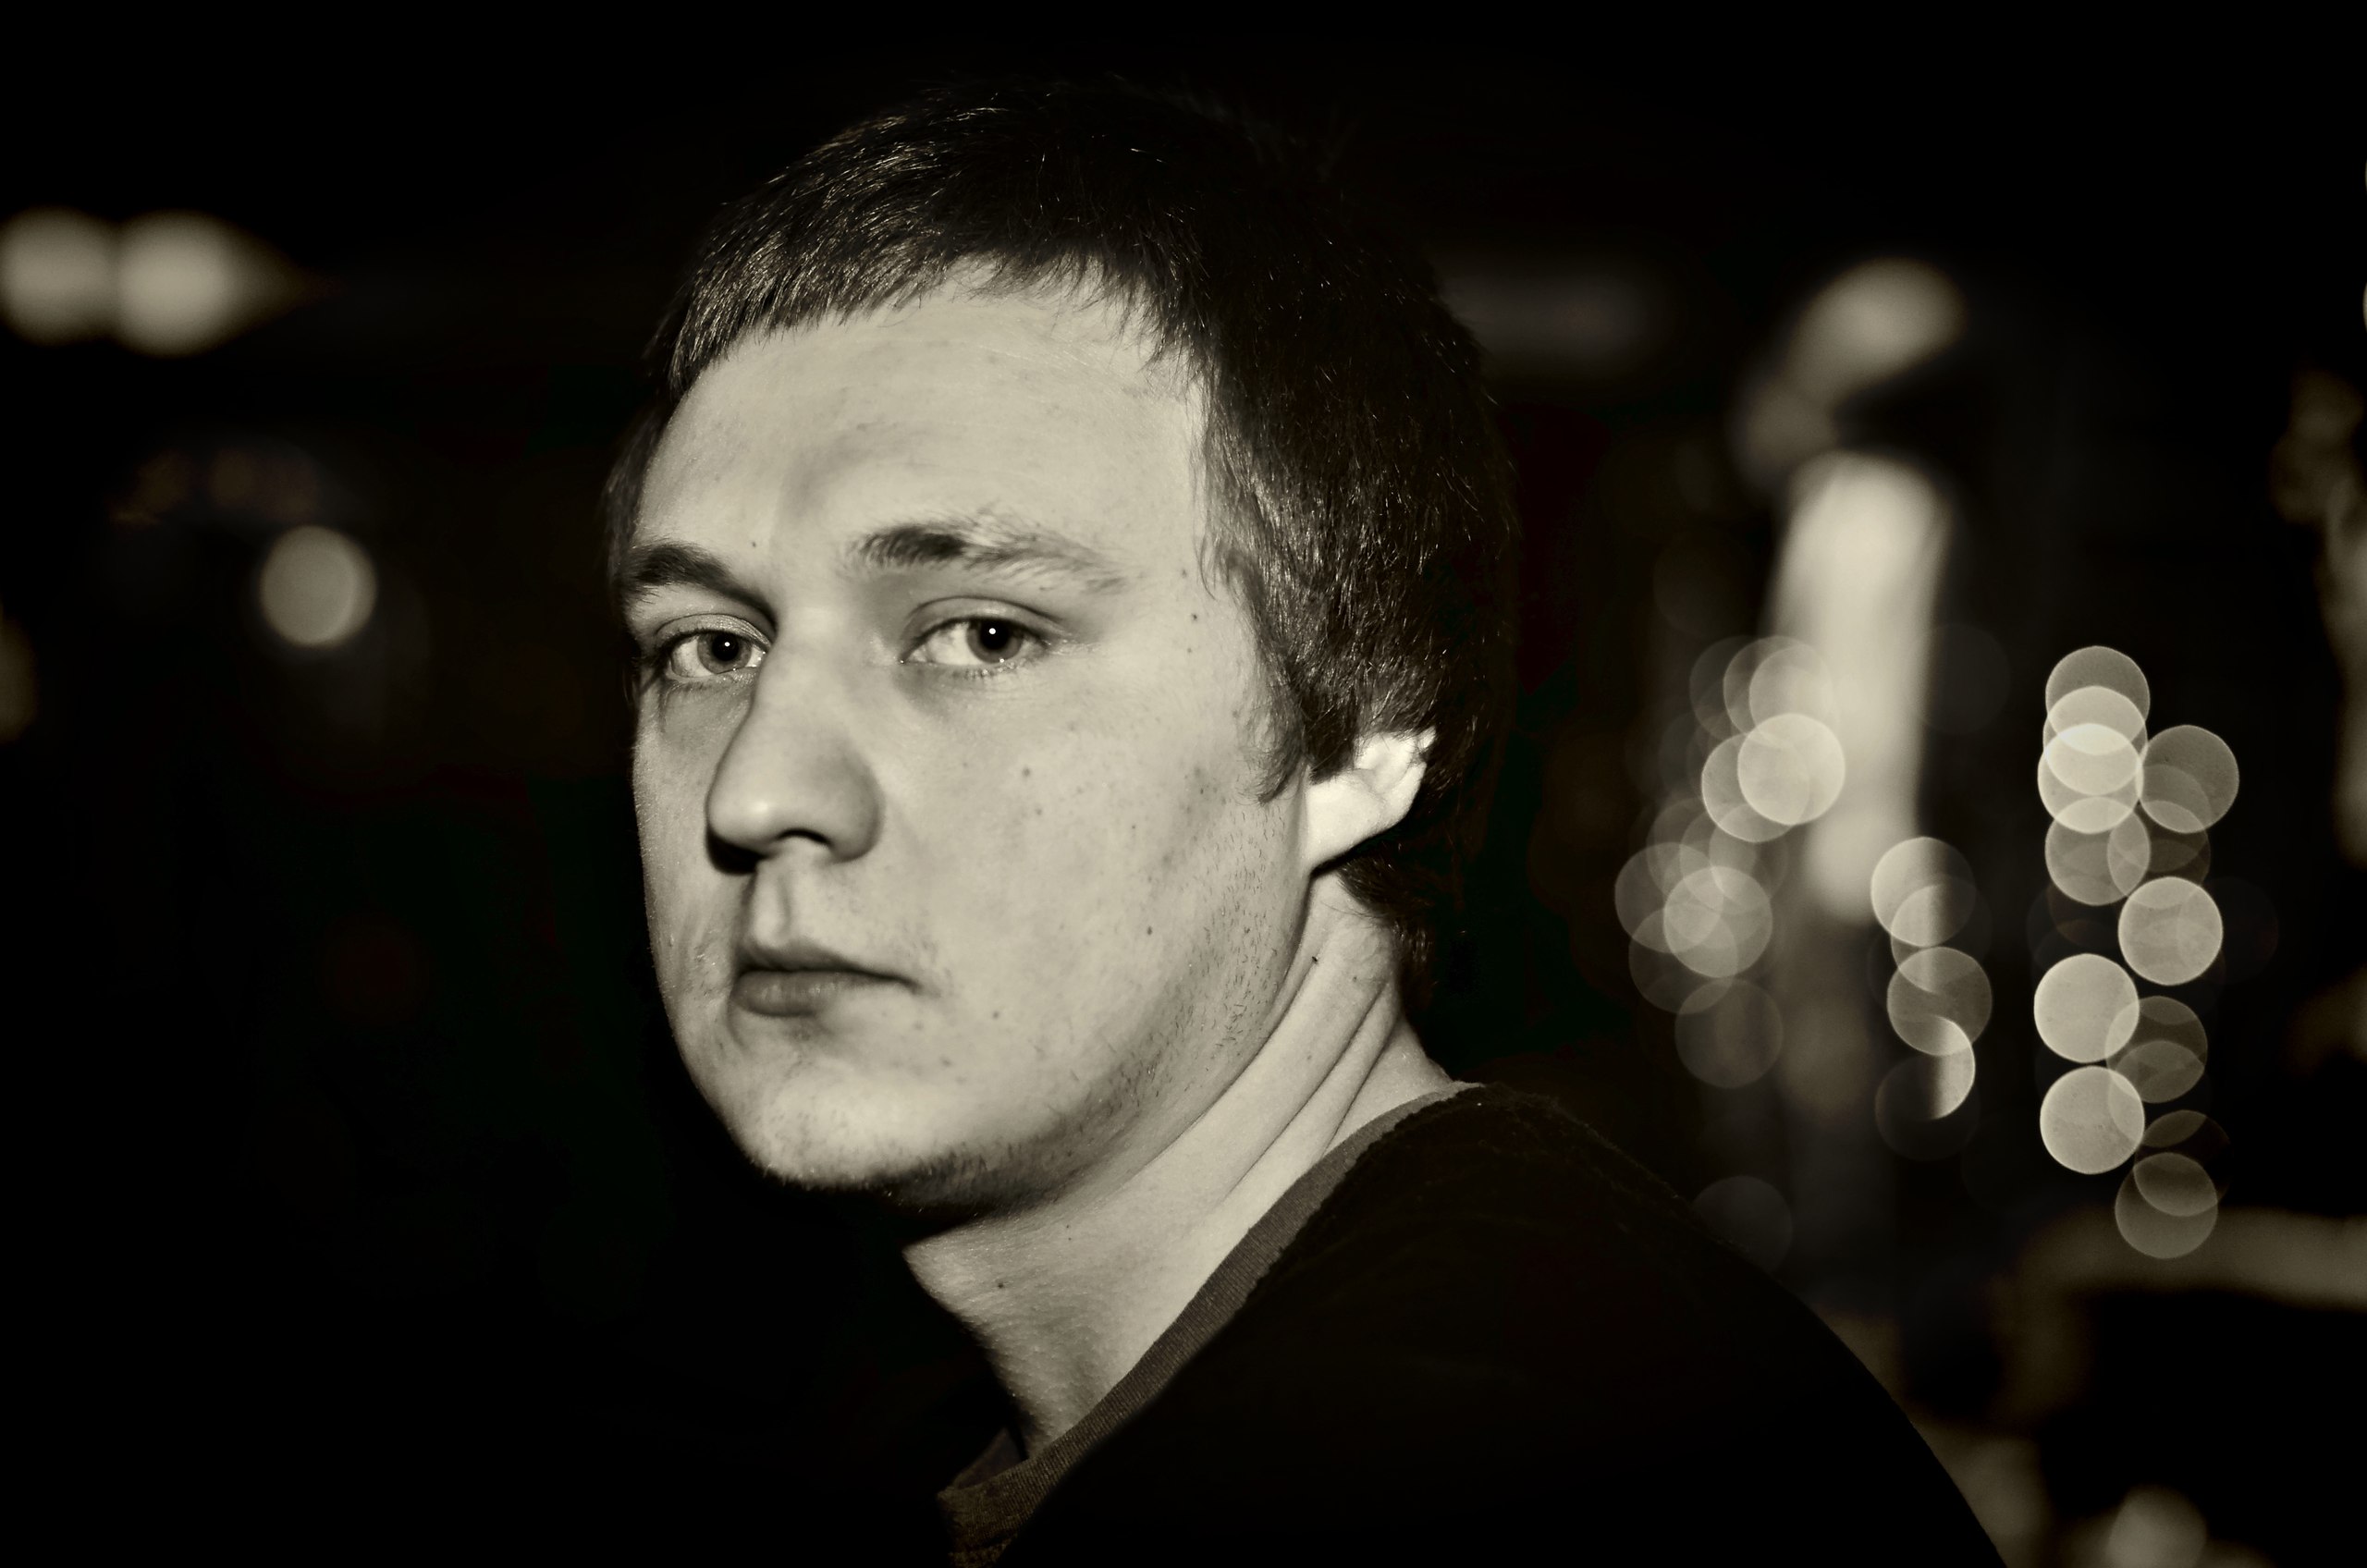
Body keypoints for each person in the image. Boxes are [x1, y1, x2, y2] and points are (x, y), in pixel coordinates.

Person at [606, 78, 1999, 1563]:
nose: (758, 792)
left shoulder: (1485, 1464)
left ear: (1365, 730)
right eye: (710, 648)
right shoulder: (1137, 1416)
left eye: (983, 634)